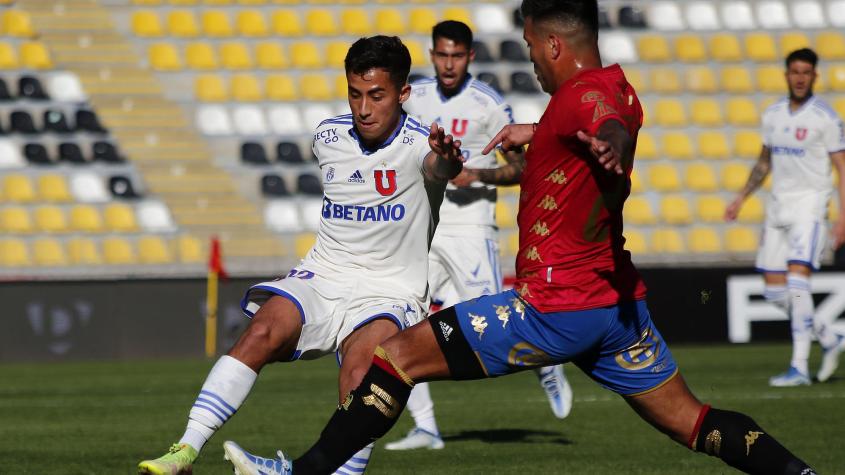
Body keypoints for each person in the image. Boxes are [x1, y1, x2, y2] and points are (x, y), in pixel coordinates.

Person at [222, 1, 818, 474]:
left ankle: (301, 472)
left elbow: (604, 124)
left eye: (532, 45)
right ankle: (798, 472)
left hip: (553, 306)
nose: (531, 58)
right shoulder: (608, 85)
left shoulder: (588, 100)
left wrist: (614, 146)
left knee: (392, 357)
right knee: (694, 422)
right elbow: (599, 116)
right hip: (614, 308)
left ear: (553, 43)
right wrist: (535, 130)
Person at [137, 35, 464, 475]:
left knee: (360, 378)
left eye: (377, 95)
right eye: (355, 94)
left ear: (403, 93)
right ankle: (184, 451)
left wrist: (447, 162)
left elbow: (438, 168)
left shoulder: (424, 144)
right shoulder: (328, 136)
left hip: (388, 289)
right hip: (324, 274)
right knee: (261, 332)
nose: (363, 108)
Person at [385, 20, 572, 453]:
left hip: (472, 229)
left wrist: (479, 175)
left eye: (457, 55)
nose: (448, 64)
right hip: (424, 226)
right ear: (432, 55)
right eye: (441, 55)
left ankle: (545, 364)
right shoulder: (415, 98)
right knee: (400, 318)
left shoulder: (488, 104)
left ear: (469, 57)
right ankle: (427, 428)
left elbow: (524, 168)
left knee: (496, 329)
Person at [725, 48, 845, 386]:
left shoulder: (826, 118)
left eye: (806, 72)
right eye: (795, 71)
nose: (800, 77)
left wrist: (842, 217)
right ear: (786, 74)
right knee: (775, 292)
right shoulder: (773, 115)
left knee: (796, 284)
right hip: (778, 207)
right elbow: (764, 163)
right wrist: (741, 198)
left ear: (815, 76)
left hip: (810, 207)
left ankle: (800, 367)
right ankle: (829, 335)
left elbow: (841, 168)